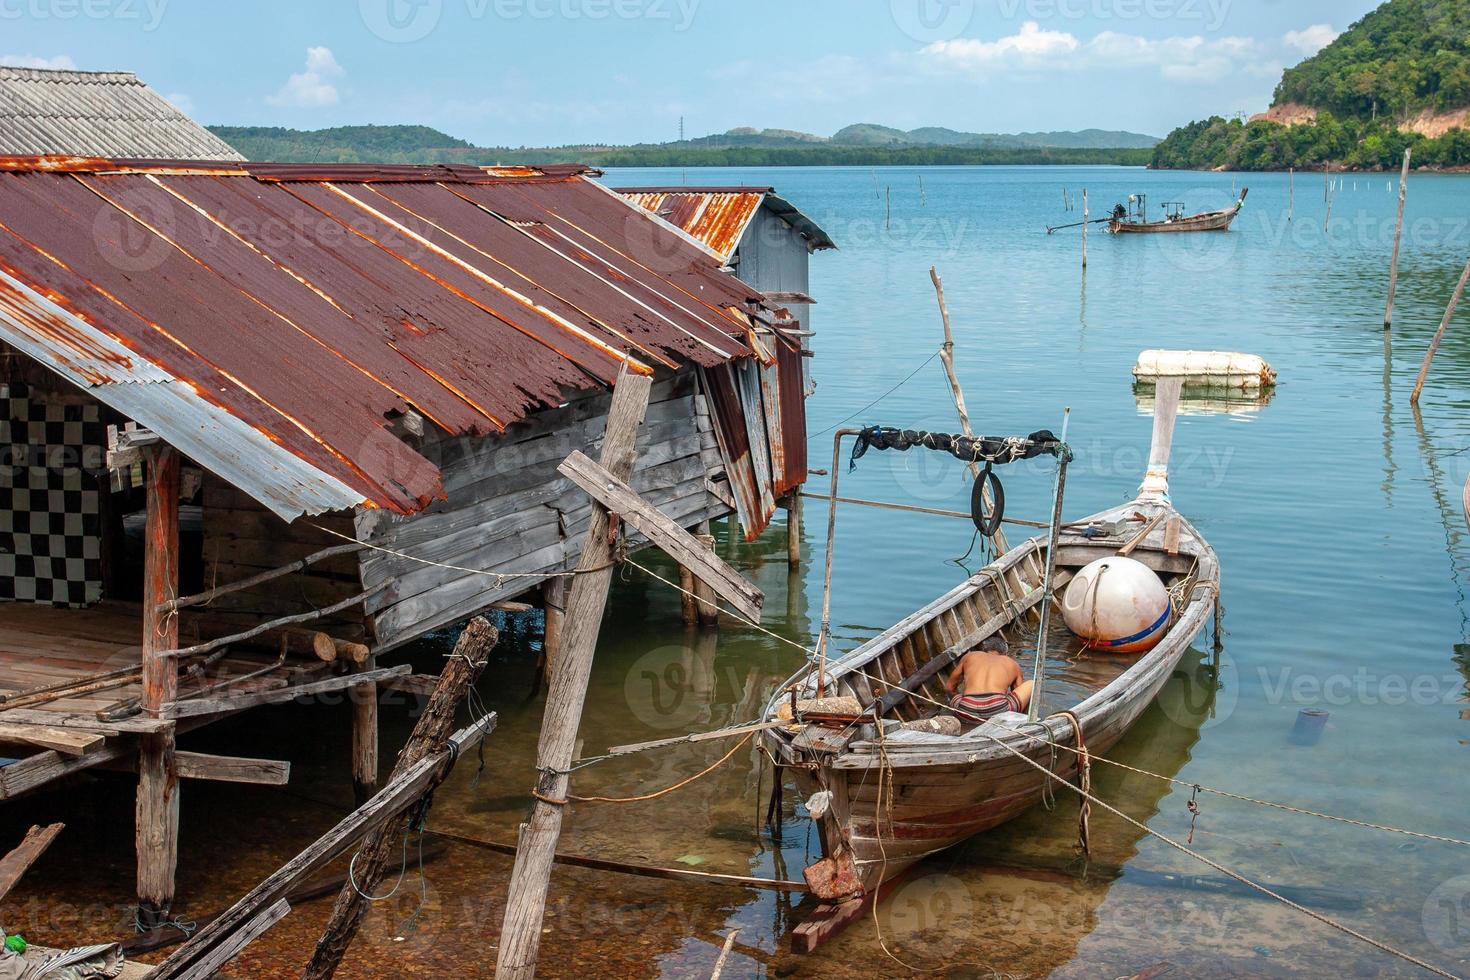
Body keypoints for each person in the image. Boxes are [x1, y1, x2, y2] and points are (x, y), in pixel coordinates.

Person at [943, 635, 1033, 725]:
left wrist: (960, 700)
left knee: (955, 698)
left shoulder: (969, 656)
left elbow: (949, 688)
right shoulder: (1011, 663)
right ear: (1005, 653)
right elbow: (1017, 692)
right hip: (998, 710)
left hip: (967, 710)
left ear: (984, 651)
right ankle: (1023, 724)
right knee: (1031, 684)